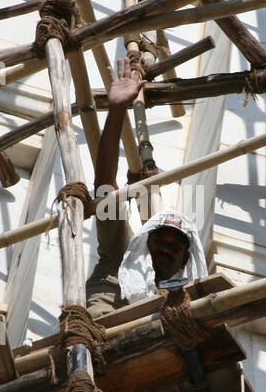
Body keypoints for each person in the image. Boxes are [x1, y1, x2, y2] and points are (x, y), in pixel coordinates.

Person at [85, 58, 208, 316]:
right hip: (101, 344)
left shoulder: (182, 302)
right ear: (144, 241)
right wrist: (117, 109)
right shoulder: (119, 254)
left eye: (174, 247)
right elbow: (105, 188)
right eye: (159, 241)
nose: (164, 248)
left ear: (185, 259)